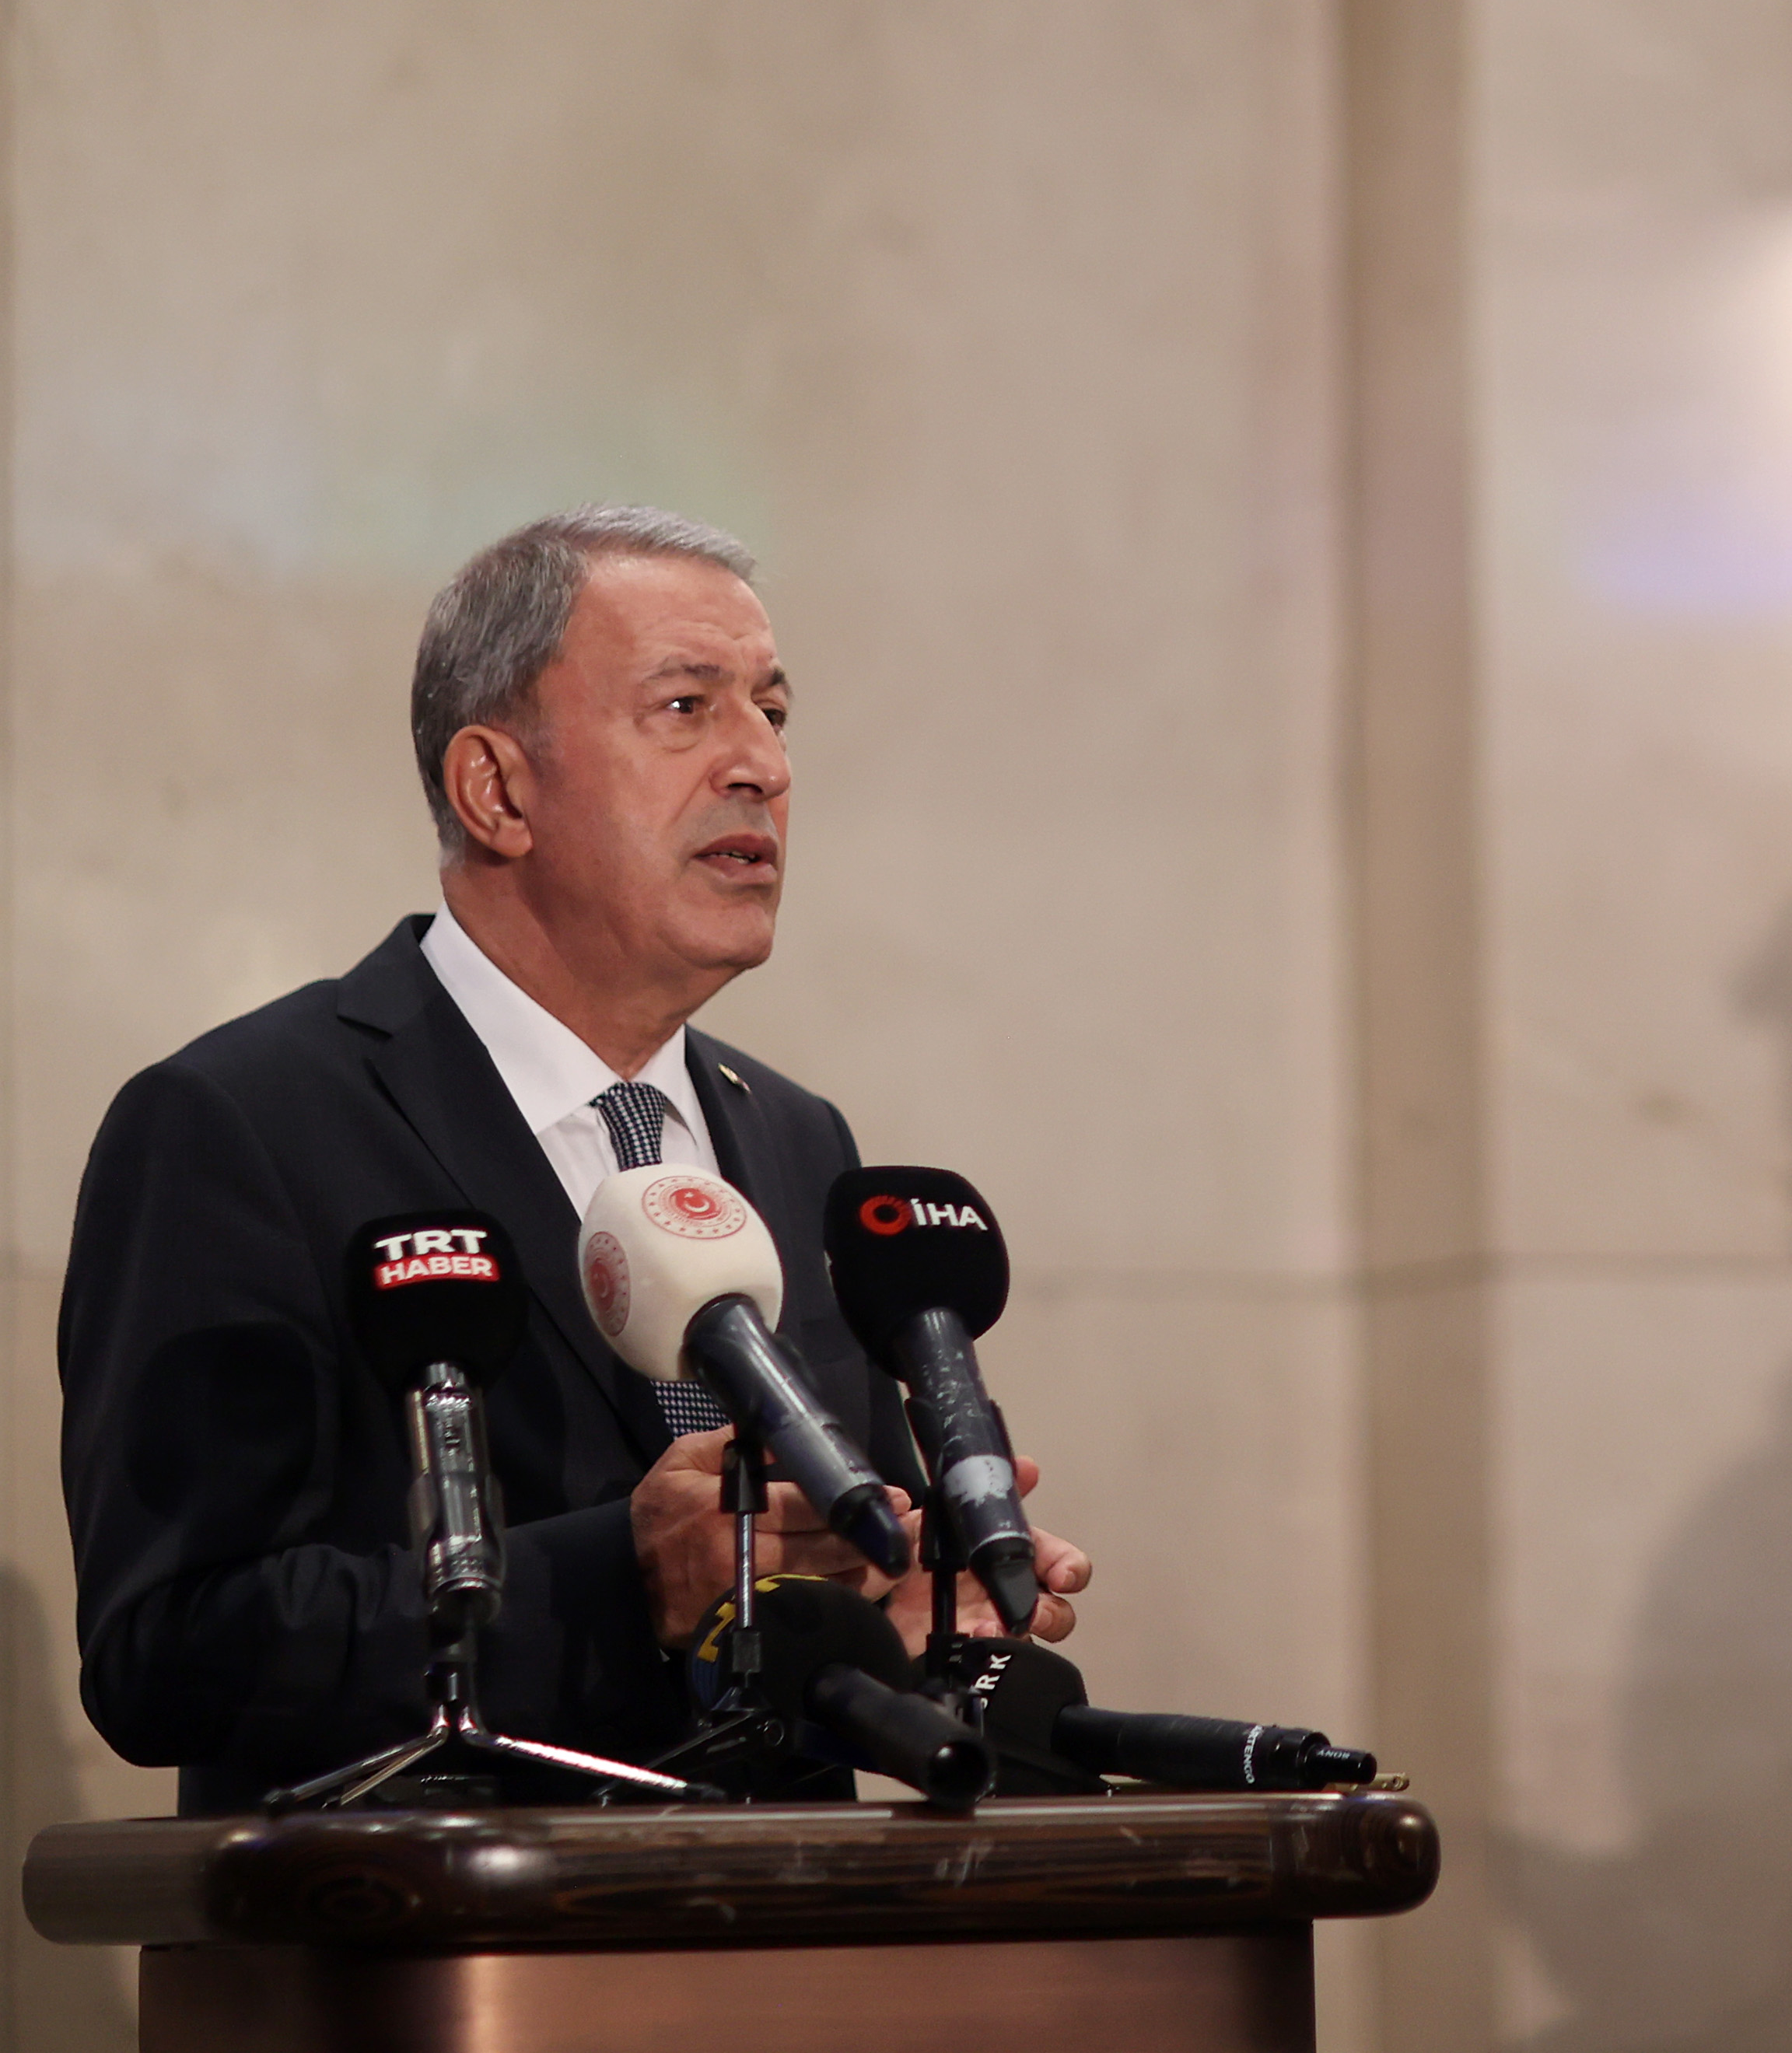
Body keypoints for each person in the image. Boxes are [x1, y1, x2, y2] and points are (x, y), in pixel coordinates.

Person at [61, 506, 1093, 1813]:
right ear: (497, 790)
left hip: (787, 1922)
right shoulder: (241, 1125)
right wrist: (621, 1577)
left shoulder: (797, 1138)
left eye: (774, 712)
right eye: (686, 707)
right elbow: (166, 1652)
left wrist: (909, 1608)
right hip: (435, 1928)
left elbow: (808, 1619)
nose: (762, 764)